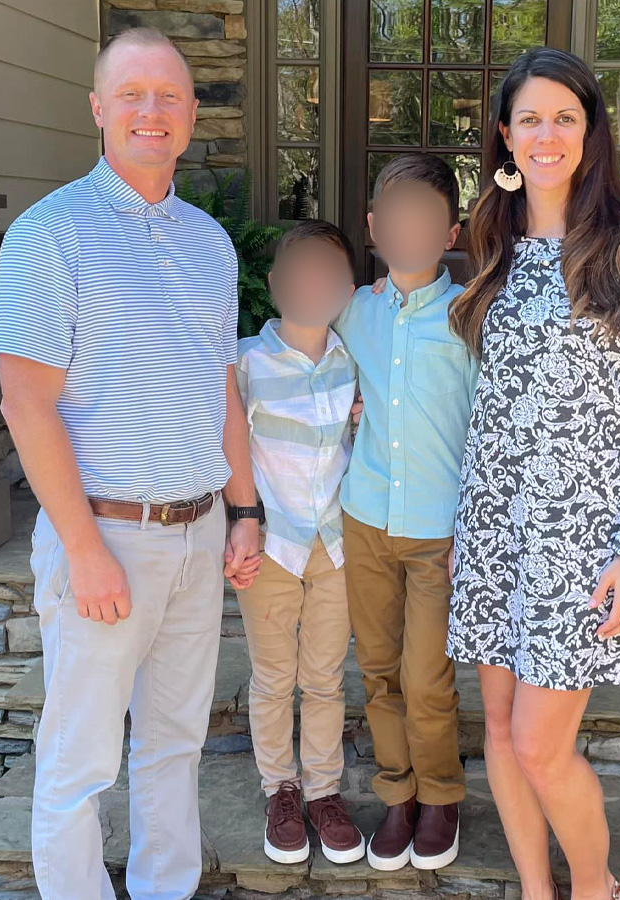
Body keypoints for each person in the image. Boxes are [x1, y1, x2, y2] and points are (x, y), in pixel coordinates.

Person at [0, 28, 259, 900]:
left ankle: (164, 888)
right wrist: (83, 548)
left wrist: (244, 512)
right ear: (99, 108)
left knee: (175, 743)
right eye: (133, 93)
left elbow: (222, 389)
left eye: (170, 95)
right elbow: (25, 403)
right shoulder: (49, 234)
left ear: (191, 115)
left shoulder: (209, 243)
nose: (153, 110)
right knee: (81, 759)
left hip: (197, 533)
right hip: (104, 534)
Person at [446, 47, 620, 900]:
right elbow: (491, 404)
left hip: (583, 540)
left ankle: (595, 887)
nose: (545, 134)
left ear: (590, 133)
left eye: (564, 117)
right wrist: (467, 527)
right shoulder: (496, 242)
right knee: (501, 734)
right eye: (529, 118)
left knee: (542, 746)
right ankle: (536, 890)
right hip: (494, 530)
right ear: (505, 135)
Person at [335, 154, 479, 872]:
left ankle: (441, 795)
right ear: (373, 227)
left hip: (437, 531)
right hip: (364, 518)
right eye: (395, 217)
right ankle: (398, 793)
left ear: (450, 232)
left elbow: (492, 431)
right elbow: (303, 364)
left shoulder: (472, 316)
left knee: (426, 676)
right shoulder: (351, 310)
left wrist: (476, 525)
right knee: (379, 668)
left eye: (426, 218)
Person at [233, 220, 365, 866]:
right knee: (272, 674)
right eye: (301, 274)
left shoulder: (353, 363)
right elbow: (227, 449)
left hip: (335, 545)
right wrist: (237, 522)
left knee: (323, 676)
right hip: (271, 542)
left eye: (327, 276)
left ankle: (323, 790)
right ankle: (279, 788)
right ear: (275, 283)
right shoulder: (246, 363)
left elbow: (361, 443)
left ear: (347, 290)